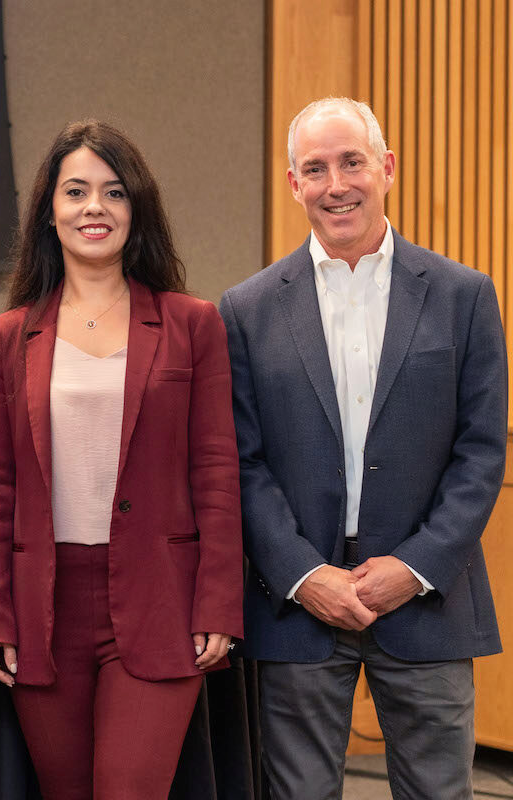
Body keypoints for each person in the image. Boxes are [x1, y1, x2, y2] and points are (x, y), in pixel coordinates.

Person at [219, 97, 507, 799]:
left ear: (387, 168)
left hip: (428, 600)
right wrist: (301, 572)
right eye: (314, 169)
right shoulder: (246, 310)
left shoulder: (465, 296)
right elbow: (242, 463)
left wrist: (414, 565)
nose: (336, 184)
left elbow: (481, 453)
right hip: (297, 604)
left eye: (352, 162)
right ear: (294, 185)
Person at [0, 119, 243, 800]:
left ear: (136, 209)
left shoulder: (191, 324)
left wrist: (218, 604)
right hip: (45, 610)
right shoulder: (10, 337)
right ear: (50, 213)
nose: (95, 207)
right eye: (76, 191)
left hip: (159, 601)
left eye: (114, 192)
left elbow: (215, 471)